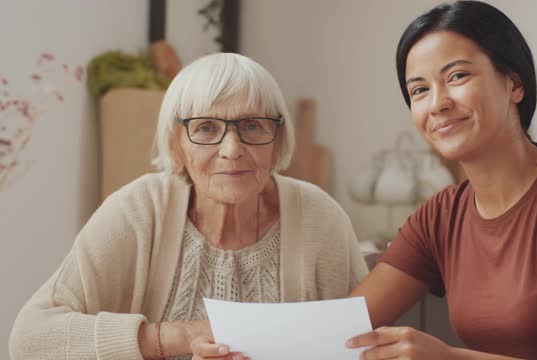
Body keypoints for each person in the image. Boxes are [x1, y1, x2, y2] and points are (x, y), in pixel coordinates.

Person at [9, 53, 368, 360]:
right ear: (177, 143)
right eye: (207, 128)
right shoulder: (139, 210)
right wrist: (181, 336)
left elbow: (365, 345)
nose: (231, 149)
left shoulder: (320, 218)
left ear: (278, 141)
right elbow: (31, 339)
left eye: (253, 126)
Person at [342, 1, 537, 359]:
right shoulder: (441, 217)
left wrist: (451, 358)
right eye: (419, 90)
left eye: (457, 77)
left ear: (514, 85)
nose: (437, 104)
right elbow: (339, 332)